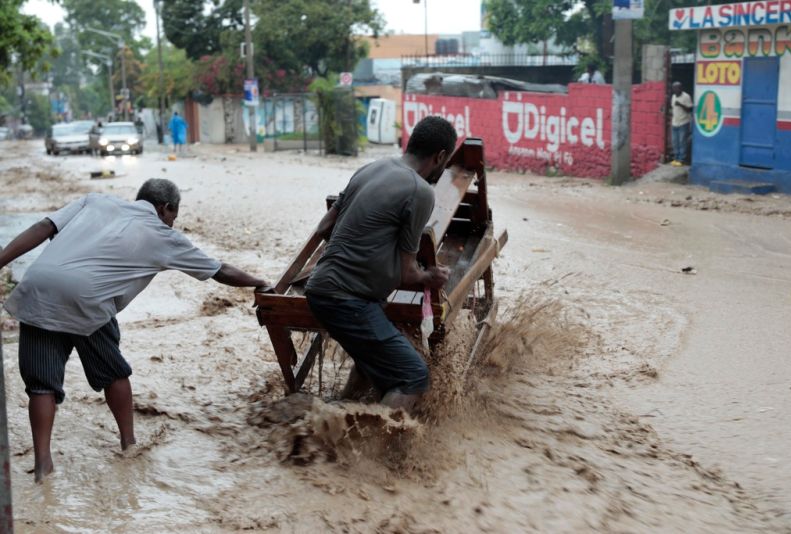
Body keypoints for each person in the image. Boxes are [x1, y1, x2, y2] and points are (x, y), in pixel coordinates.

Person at [0, 179, 268, 482]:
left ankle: (43, 466)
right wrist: (259, 282)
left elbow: (42, 227)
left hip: (38, 286)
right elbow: (220, 270)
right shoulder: (163, 235)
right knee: (113, 372)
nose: (172, 223)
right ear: (166, 208)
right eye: (174, 216)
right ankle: (129, 445)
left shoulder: (95, 201)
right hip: (88, 298)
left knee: (41, 384)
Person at [304, 116, 456, 413]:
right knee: (413, 376)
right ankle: (372, 440)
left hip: (320, 288)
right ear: (440, 157)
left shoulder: (372, 168)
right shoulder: (420, 191)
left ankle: (337, 420)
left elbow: (324, 228)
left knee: (372, 362)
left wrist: (364, 248)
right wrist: (430, 276)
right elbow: (407, 273)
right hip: (348, 300)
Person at [671, 82, 693, 166]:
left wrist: (680, 104)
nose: (677, 90)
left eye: (678, 88)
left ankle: (682, 159)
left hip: (683, 122)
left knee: (682, 142)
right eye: (675, 88)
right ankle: (676, 158)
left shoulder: (686, 96)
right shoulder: (673, 96)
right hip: (675, 123)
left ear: (681, 88)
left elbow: (690, 109)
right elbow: (673, 108)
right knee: (675, 142)